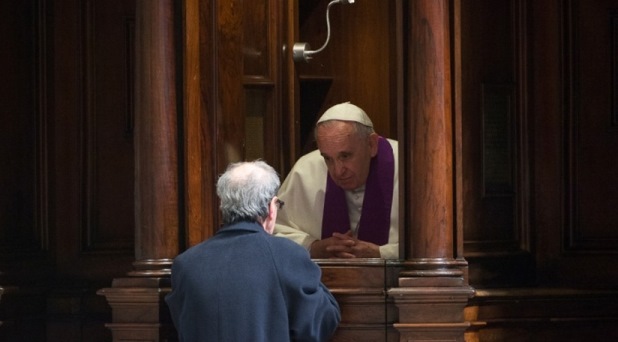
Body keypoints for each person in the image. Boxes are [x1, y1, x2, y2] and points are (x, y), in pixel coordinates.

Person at [165, 161, 341, 342]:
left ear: (223, 206)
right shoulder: (288, 255)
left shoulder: (186, 264)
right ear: (271, 208)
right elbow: (319, 324)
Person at [275, 102, 399, 259]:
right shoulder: (305, 170)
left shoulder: (407, 165)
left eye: (345, 156)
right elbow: (273, 233)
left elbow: (434, 244)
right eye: (327, 158)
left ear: (372, 145)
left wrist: (381, 253)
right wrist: (313, 247)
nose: (338, 171)